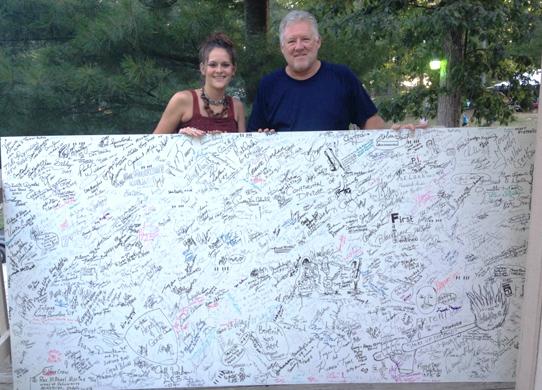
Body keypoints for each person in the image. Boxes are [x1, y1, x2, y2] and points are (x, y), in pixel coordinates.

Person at [248, 10, 418, 133]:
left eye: (305, 39)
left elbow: (370, 122)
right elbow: (254, 137)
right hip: (287, 179)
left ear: (318, 42)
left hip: (336, 177)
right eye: (292, 41)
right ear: (282, 47)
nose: (299, 46)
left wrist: (397, 137)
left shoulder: (342, 77)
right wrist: (262, 137)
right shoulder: (268, 85)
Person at [153, 33, 246, 136]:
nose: (219, 70)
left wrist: (265, 137)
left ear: (233, 69)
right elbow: (153, 146)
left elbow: (244, 150)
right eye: (213, 65)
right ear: (202, 68)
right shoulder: (182, 100)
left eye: (225, 65)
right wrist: (179, 138)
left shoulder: (237, 107)